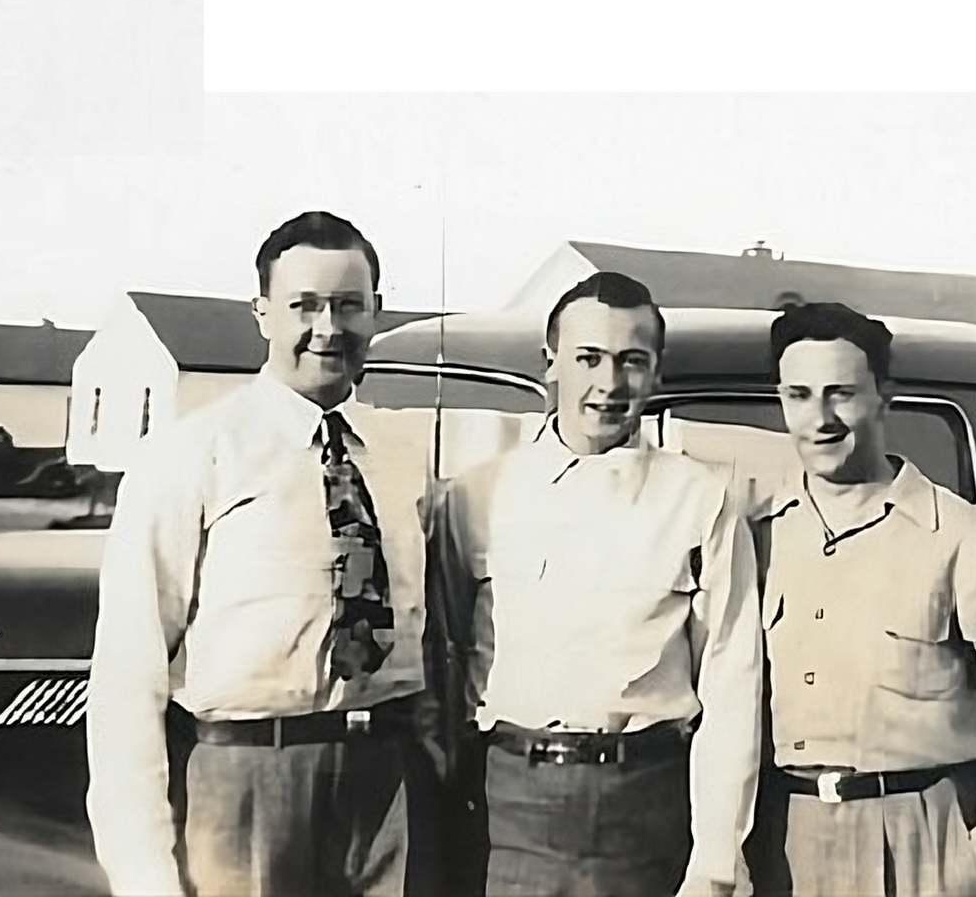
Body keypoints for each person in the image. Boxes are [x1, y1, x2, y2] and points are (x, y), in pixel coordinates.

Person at [85, 210, 445, 897]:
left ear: (377, 312)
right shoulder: (190, 455)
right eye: (304, 306)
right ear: (263, 313)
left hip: (386, 784)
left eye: (348, 306)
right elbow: (128, 675)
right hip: (248, 779)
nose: (328, 328)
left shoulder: (402, 459)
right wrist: (142, 872)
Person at [436, 272, 763, 897]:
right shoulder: (480, 495)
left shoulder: (701, 498)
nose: (609, 385)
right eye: (588, 359)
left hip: (645, 802)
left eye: (631, 362)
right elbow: (450, 648)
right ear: (551, 362)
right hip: (511, 805)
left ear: (657, 372)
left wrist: (717, 858)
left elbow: (732, 682)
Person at [743, 302, 976, 897]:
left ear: (883, 396)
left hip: (921, 838)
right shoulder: (754, 535)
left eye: (841, 393)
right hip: (784, 843)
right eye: (798, 395)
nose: (819, 418)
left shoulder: (962, 539)